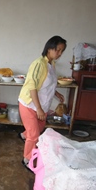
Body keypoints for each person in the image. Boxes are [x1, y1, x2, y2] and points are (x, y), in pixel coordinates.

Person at [18, 36, 66, 171]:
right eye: (58, 50)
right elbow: (33, 86)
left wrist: (56, 93)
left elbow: (47, 84)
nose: (60, 54)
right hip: (29, 104)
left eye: (62, 51)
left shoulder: (51, 64)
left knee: (37, 129)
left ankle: (23, 135)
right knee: (34, 135)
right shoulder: (39, 64)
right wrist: (38, 108)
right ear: (50, 48)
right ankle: (27, 160)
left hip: (41, 105)